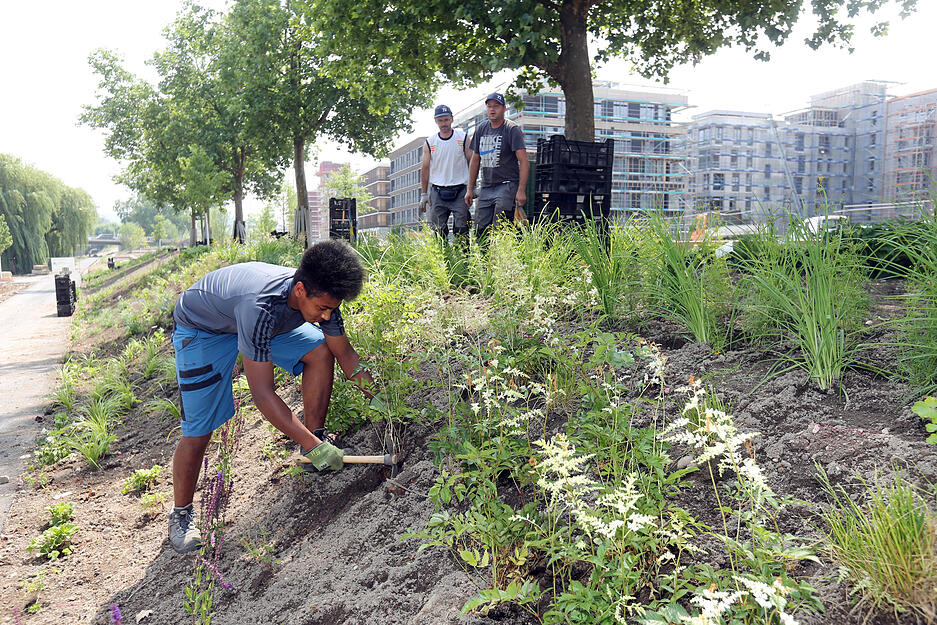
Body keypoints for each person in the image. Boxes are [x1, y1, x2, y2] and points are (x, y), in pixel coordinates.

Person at [167, 240, 377, 553]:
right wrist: (314, 446)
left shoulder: (323, 298)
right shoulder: (261, 307)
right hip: (204, 329)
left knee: (320, 351)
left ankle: (314, 443)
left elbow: (344, 354)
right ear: (300, 290)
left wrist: (381, 399)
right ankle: (181, 514)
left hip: (255, 321)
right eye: (322, 309)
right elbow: (263, 394)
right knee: (199, 430)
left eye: (331, 309)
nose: (326, 316)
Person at [465, 93, 530, 242]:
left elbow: (524, 161)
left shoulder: (511, 129)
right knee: (480, 229)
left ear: (504, 108)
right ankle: (482, 256)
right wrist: (470, 188)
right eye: (489, 106)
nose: (492, 109)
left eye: (496, 106)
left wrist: (521, 190)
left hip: (507, 185)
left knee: (501, 226)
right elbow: (475, 160)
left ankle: (503, 256)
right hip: (486, 186)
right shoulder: (481, 129)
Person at [419, 104, 472, 244]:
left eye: (446, 120)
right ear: (436, 121)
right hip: (438, 191)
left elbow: (472, 162)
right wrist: (424, 194)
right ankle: (442, 255)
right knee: (438, 230)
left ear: (452, 119)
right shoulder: (430, 142)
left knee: (462, 228)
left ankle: (463, 255)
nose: (444, 124)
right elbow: (425, 168)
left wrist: (472, 188)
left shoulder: (463, 138)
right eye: (440, 120)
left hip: (460, 190)